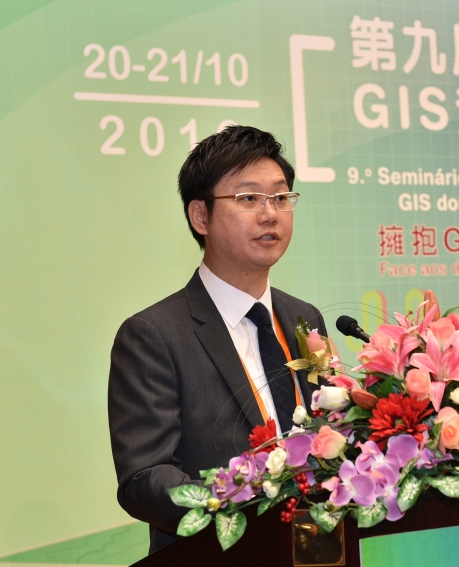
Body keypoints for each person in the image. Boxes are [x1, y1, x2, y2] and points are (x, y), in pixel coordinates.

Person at [107, 125, 327, 554]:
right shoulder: (154, 335)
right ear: (200, 216)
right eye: (248, 199)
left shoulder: (306, 319)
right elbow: (143, 478)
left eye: (280, 197)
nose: (270, 214)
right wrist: (244, 502)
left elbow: (326, 432)